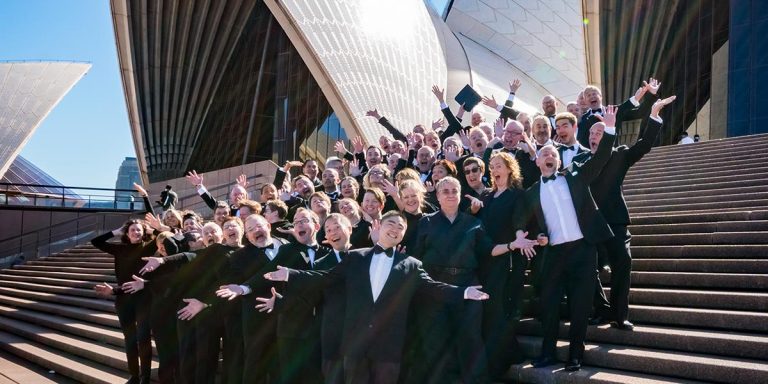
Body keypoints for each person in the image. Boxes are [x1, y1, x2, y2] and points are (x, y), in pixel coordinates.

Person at [260, 211, 496, 384]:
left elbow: (433, 287)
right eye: (391, 223)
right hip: (355, 342)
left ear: (403, 235)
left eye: (401, 227)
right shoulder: (356, 257)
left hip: (389, 346)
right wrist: (291, 274)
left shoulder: (410, 265)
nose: (395, 228)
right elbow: (324, 278)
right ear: (379, 227)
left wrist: (464, 292)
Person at [513, 106, 618, 372]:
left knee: (580, 307)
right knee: (549, 306)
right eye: (544, 154)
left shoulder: (576, 176)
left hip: (583, 251)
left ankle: (575, 356)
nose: (549, 155)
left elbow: (601, 157)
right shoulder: (532, 193)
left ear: (558, 160)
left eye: (553, 153)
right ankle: (547, 353)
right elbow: (524, 222)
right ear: (537, 162)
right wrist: (537, 236)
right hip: (554, 254)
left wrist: (609, 128)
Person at [410, 177, 536, 383]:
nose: (450, 194)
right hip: (435, 286)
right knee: (437, 342)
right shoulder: (427, 222)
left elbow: (488, 250)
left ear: (460, 195)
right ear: (438, 196)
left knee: (471, 341)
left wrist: (513, 245)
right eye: (445, 191)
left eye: (454, 191)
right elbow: (417, 256)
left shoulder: (474, 223)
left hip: (468, 284)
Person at [575, 96, 676, 331]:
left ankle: (619, 316)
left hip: (616, 222)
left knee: (623, 263)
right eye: (591, 134)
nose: (593, 137)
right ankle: (601, 309)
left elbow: (644, 145)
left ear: (609, 135)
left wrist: (654, 114)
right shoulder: (580, 161)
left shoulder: (619, 154)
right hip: (590, 225)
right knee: (589, 269)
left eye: (598, 133)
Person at [215, 214, 289, 384]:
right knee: (256, 365)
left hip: (288, 313)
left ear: (268, 226)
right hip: (258, 318)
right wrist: (240, 289)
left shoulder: (286, 245)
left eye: (259, 226)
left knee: (285, 363)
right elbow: (238, 282)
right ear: (246, 236)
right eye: (250, 230)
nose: (256, 231)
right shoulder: (238, 256)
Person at [92, 220, 156, 384]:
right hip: (123, 299)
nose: (136, 233)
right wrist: (116, 231)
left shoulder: (149, 247)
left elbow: (166, 237)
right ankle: (134, 375)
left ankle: (145, 377)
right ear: (127, 234)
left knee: (143, 338)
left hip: (144, 299)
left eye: (139, 230)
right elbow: (96, 242)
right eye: (132, 230)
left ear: (143, 233)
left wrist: (153, 229)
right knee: (130, 339)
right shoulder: (119, 249)